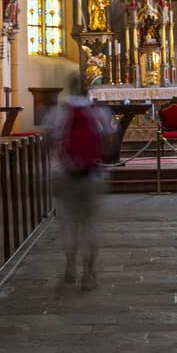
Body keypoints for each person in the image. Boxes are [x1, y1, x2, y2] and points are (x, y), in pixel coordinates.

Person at [44, 93, 112, 289]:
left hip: (65, 173)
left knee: (68, 223)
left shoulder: (58, 112)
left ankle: (70, 267)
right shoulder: (98, 111)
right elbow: (108, 142)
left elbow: (49, 141)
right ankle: (89, 274)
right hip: (91, 175)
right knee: (90, 224)